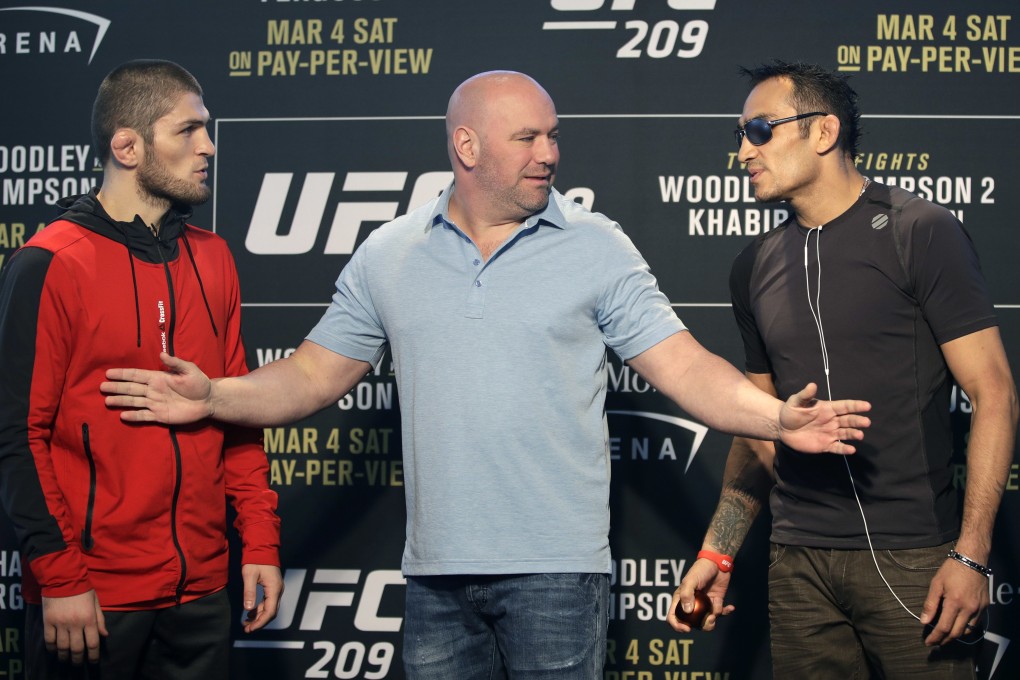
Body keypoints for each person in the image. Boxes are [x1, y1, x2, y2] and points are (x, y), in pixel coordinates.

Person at [101, 70, 870, 679]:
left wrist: (777, 420)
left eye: (553, 137)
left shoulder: (595, 245)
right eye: (528, 138)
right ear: (467, 148)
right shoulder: (389, 253)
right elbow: (308, 376)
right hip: (435, 581)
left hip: (558, 577)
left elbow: (687, 368)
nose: (550, 154)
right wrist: (214, 396)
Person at [668, 61, 1018, 678]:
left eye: (760, 129)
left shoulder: (922, 232)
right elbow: (757, 423)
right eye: (740, 135)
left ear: (823, 132)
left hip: (918, 561)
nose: (744, 151)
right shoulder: (752, 266)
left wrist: (971, 556)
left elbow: (993, 393)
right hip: (798, 563)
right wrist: (717, 554)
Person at [0, 59, 283, 678]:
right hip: (92, 598)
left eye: (205, 130)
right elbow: (18, 438)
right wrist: (61, 575)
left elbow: (234, 408)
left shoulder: (214, 257)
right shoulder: (50, 263)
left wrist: (258, 541)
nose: (208, 145)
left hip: (202, 592)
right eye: (188, 130)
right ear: (127, 146)